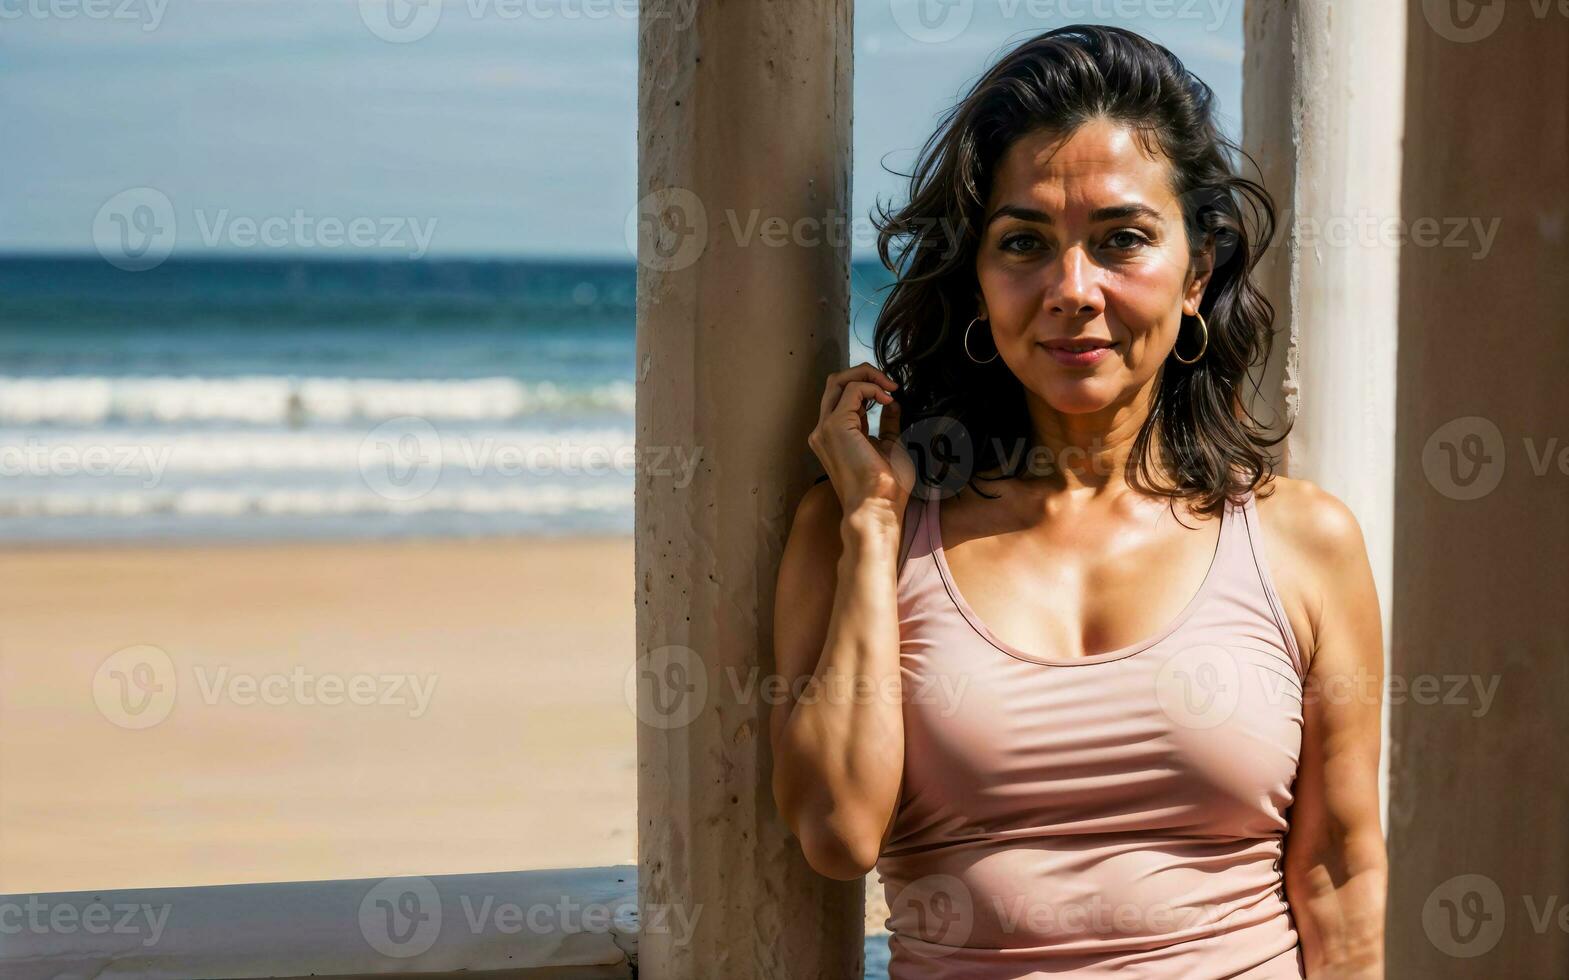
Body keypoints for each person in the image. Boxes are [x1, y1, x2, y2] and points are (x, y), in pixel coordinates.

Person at [770, 24, 1386, 979]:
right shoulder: (868, 535)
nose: (1071, 289)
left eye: (1122, 241)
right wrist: (867, 525)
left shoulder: (1301, 542)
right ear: (976, 281)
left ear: (1198, 273)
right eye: (1023, 243)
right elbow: (836, 832)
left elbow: (1339, 878)